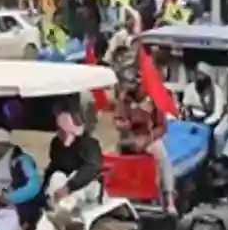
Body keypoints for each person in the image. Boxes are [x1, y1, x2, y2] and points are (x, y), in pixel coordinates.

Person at [113, 81, 176, 213]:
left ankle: (169, 199)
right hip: (130, 137)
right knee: (116, 156)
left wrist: (148, 138)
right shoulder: (125, 99)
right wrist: (124, 124)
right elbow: (118, 120)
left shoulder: (154, 100)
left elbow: (162, 127)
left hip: (149, 137)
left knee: (162, 156)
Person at [42, 102, 103, 220]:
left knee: (75, 183)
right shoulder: (56, 144)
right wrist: (43, 190)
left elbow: (91, 169)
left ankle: (64, 214)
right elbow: (54, 166)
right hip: (63, 184)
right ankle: (57, 213)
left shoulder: (90, 144)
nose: (58, 132)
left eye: (61, 129)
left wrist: (69, 187)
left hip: (86, 186)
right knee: (57, 176)